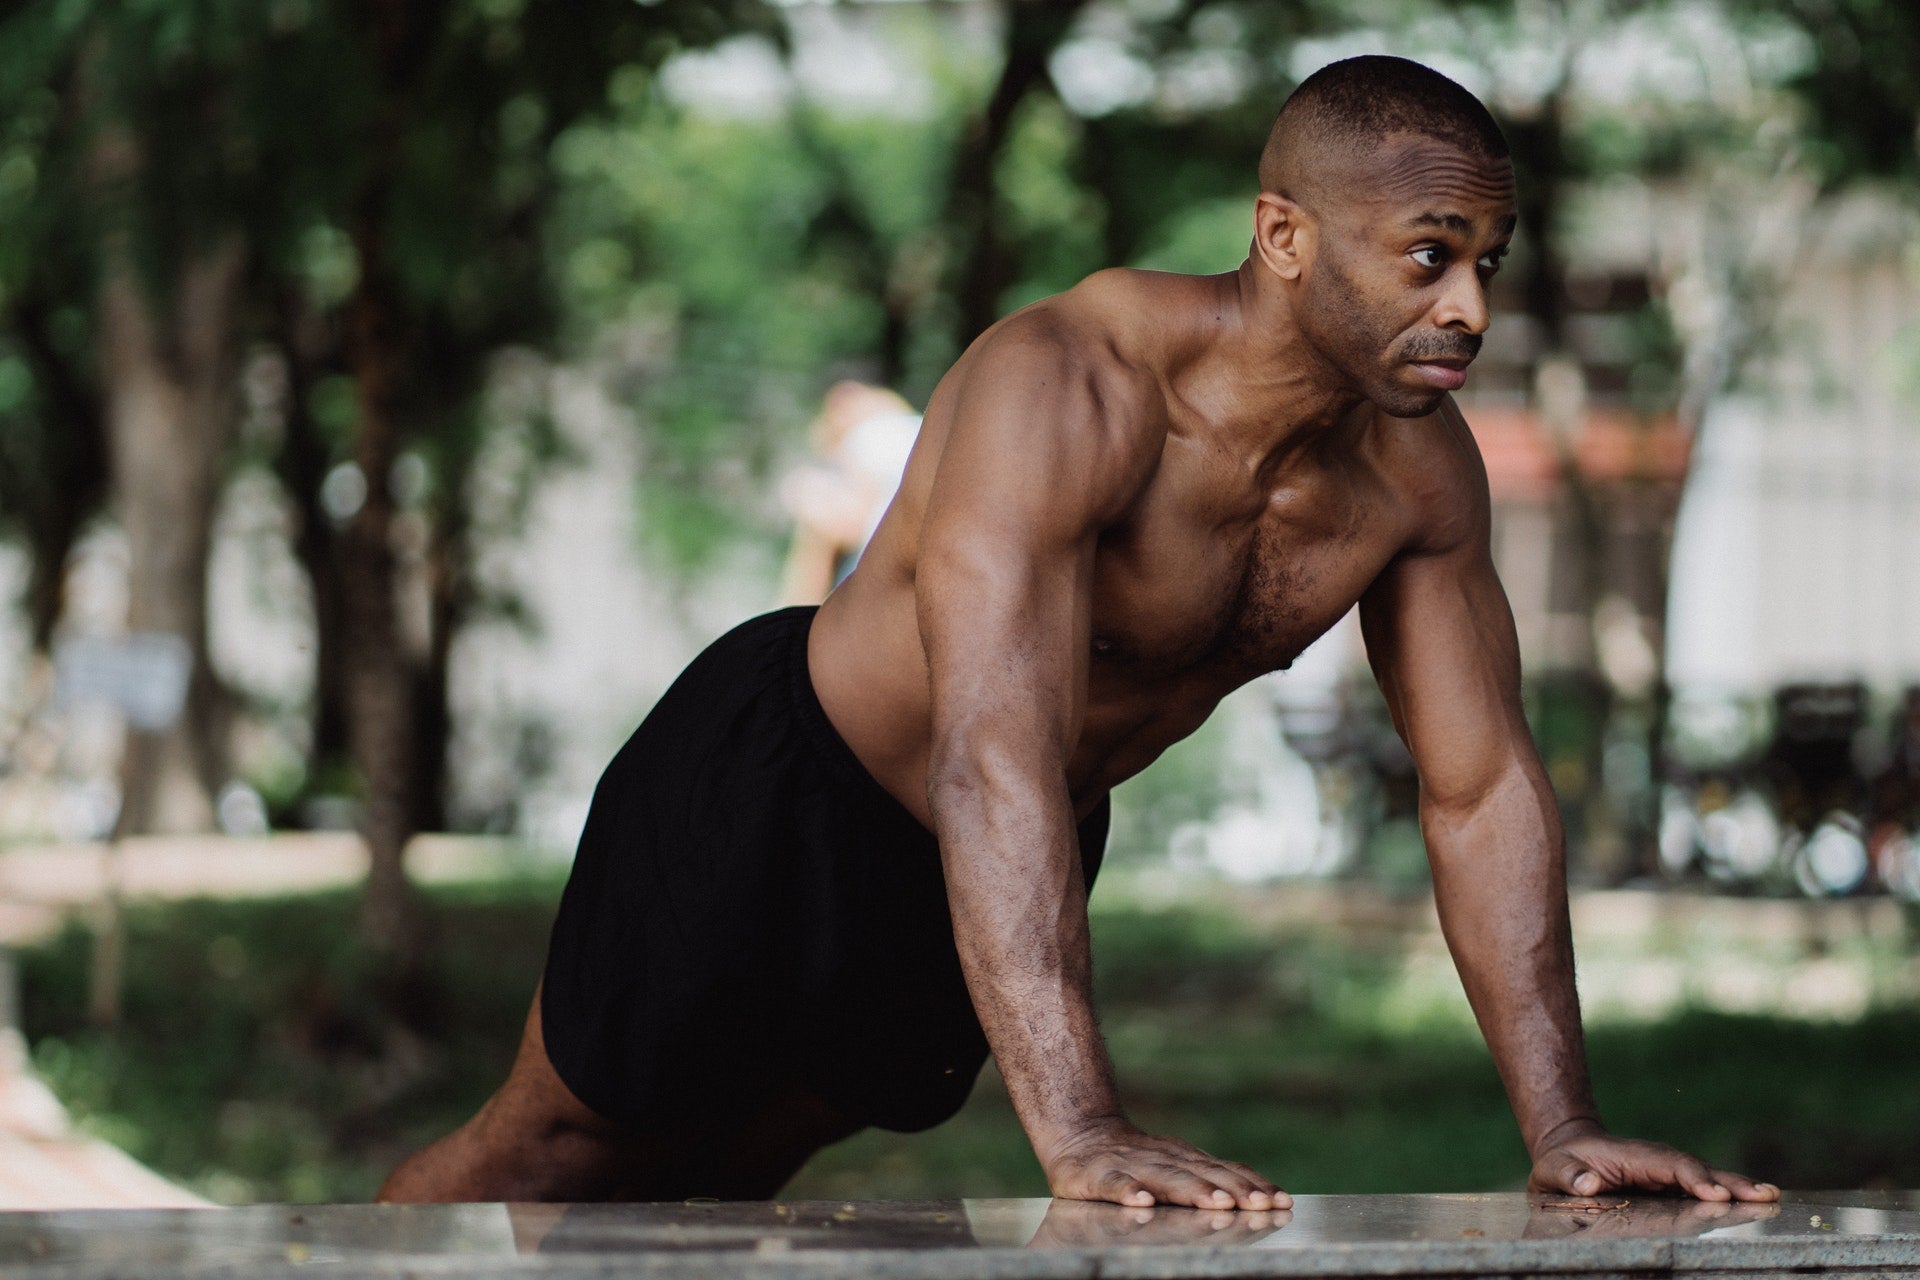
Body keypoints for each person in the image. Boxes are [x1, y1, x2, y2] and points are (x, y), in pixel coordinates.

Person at [379, 56, 1779, 1210]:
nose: (1467, 307)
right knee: (554, 1157)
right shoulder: (1066, 384)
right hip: (787, 785)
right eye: (1428, 257)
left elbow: (1478, 792)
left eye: (1486, 260)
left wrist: (1565, 1126)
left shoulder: (1418, 478)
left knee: (732, 1178)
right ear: (1285, 237)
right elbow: (988, 744)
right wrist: (1082, 1126)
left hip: (1018, 834)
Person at [776, 380, 922, 606]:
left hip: (887, 577)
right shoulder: (916, 428)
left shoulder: (868, 436)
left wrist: (806, 502)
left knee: (808, 494)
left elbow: (857, 525)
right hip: (917, 566)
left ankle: (795, 611)